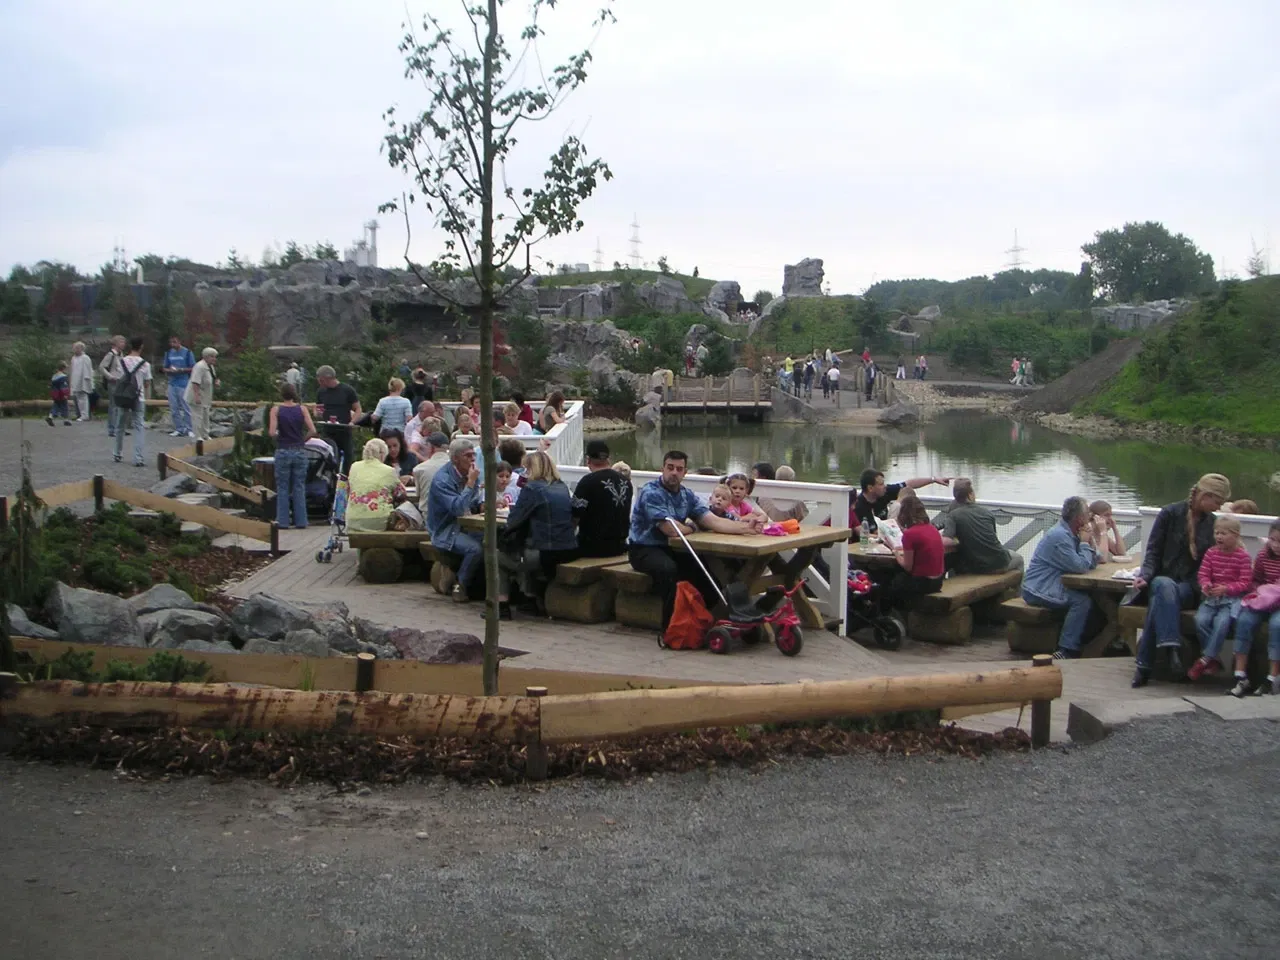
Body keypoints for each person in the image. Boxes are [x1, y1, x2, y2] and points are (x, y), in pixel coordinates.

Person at [628, 450, 763, 631]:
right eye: (670, 468)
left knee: (705, 573)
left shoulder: (687, 495)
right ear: (662, 469)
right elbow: (670, 530)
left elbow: (713, 521)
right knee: (669, 570)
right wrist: (693, 527)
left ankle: (703, 620)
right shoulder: (651, 492)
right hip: (644, 548)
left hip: (673, 549)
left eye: (679, 469)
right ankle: (669, 628)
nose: (674, 472)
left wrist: (747, 528)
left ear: (685, 473)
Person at [1132, 473, 1231, 688]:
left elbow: (1210, 564)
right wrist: (1145, 576)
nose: (1219, 506)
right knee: (1163, 586)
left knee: (1162, 595)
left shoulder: (1213, 524)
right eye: (1217, 501)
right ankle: (1170, 650)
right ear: (1205, 495)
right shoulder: (1170, 514)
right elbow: (1153, 552)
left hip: (1190, 589)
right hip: (1161, 581)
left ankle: (1148, 663)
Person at [496, 451, 580, 617]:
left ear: (532, 469)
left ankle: (501, 605)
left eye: (526, 468)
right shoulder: (562, 486)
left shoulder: (532, 488)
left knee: (498, 556)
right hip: (569, 549)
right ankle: (528, 599)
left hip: (546, 552)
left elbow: (513, 521)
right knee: (522, 551)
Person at [1021, 496, 1101, 660]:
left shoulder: (1072, 533)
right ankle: (1066, 650)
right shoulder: (1060, 536)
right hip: (1038, 587)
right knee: (1081, 601)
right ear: (1079, 519)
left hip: (1054, 583)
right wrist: (1085, 543)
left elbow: (1095, 561)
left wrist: (1090, 541)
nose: (1090, 518)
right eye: (1087, 514)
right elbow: (1080, 567)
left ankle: (1086, 641)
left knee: (1094, 597)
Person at [1185, 515, 1253, 682]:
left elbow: (1245, 583)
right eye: (1217, 533)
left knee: (1221, 623)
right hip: (1211, 600)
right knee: (1200, 620)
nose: (1219, 537)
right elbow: (1203, 574)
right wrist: (1206, 584)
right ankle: (1214, 659)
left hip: (1230, 601)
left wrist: (1227, 589)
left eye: (1223, 533)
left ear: (1235, 536)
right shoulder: (1211, 553)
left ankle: (1205, 659)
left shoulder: (1242, 556)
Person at [426, 438, 483, 602]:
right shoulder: (442, 480)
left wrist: (484, 504)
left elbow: (472, 503)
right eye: (468, 456)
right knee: (475, 549)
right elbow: (457, 509)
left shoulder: (470, 474)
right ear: (455, 459)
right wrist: (471, 483)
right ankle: (461, 586)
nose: (472, 459)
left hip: (465, 526)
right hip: (445, 530)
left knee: (493, 540)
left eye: (473, 455)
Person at [1228, 519, 1280, 696]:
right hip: (1264, 600)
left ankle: (1272, 677)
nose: (1276, 545)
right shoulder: (1264, 555)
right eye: (1273, 540)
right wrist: (1261, 591)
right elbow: (1255, 579)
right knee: (1244, 620)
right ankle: (1240, 674)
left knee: (1277, 625)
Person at [933, 478, 1024, 574]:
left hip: (975, 566)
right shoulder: (986, 512)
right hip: (999, 563)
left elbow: (945, 541)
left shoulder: (953, 514)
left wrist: (960, 542)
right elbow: (993, 539)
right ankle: (1019, 589)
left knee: (956, 561)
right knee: (1019, 559)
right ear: (970, 495)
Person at [268, 382, 316, 530]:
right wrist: (302, 440)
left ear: (281, 394)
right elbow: (312, 430)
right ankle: (301, 521)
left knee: (282, 487)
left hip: (283, 449)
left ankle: (283, 521)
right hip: (299, 450)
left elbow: (271, 432)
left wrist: (278, 437)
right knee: (299, 486)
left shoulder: (276, 410)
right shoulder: (302, 409)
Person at [573, 438, 632, 558]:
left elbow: (574, 517)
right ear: (608, 459)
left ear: (588, 460)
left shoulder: (587, 482)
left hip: (592, 548)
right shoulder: (626, 482)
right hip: (620, 546)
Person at [885, 495, 946, 609]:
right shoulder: (932, 529)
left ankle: (892, 615)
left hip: (923, 583)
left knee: (889, 583)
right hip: (938, 582)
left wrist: (894, 551)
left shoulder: (909, 534)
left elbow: (907, 567)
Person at [852, 469, 950, 534]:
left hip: (888, 535)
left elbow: (908, 484)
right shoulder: (859, 507)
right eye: (881, 484)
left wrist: (933, 480)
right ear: (870, 488)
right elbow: (873, 533)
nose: (885, 486)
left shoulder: (884, 493)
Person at [346, 438, 404, 533]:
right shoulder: (389, 470)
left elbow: (349, 490)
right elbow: (401, 494)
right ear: (382, 454)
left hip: (353, 520)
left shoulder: (354, 466)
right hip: (379, 521)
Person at [112, 336, 152, 467]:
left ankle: (117, 453)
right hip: (138, 397)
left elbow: (118, 378)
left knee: (120, 425)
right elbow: (147, 384)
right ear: (141, 347)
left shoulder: (122, 361)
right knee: (139, 426)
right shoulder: (145, 364)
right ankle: (138, 457)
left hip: (123, 396)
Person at [314, 365, 362, 472]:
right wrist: (317, 413)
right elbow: (317, 408)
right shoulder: (321, 392)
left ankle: (347, 482)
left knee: (348, 460)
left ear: (328, 378)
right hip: (328, 430)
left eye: (321, 380)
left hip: (344, 429)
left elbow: (358, 409)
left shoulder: (347, 390)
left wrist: (352, 422)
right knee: (329, 460)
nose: (320, 383)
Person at [162, 335, 196, 438]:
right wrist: (170, 370)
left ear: (179, 342)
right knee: (174, 407)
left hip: (183, 383)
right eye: (171, 342)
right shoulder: (168, 353)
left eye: (175, 342)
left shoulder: (187, 352)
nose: (173, 344)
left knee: (186, 407)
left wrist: (180, 370)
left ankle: (189, 428)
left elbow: (193, 367)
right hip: (172, 383)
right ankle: (178, 428)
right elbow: (164, 368)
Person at [412, 431, 453, 512]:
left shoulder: (419, 469)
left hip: (428, 515)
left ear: (431, 447)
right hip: (451, 514)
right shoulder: (456, 467)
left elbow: (418, 495)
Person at [184, 348, 218, 442]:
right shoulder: (199, 366)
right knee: (197, 416)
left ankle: (205, 435)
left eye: (215, 357)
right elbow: (195, 382)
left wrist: (216, 382)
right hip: (196, 395)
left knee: (206, 415)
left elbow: (212, 378)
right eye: (212, 356)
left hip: (206, 396)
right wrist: (196, 396)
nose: (214, 359)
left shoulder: (210, 366)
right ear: (206, 357)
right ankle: (197, 436)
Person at [98, 335, 126, 437]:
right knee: (113, 406)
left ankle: (120, 427)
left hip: (121, 382)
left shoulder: (121, 355)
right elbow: (101, 367)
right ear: (115, 344)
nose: (123, 344)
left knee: (121, 406)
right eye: (121, 342)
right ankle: (112, 428)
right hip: (113, 382)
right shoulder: (111, 355)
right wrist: (110, 377)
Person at [69, 341, 94, 422]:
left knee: (83, 398)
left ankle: (85, 415)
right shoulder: (73, 358)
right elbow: (72, 370)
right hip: (75, 380)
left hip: (82, 380)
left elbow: (88, 371)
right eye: (74, 348)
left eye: (76, 348)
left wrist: (86, 382)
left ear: (81, 348)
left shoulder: (85, 358)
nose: (74, 349)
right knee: (77, 398)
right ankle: (79, 414)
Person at [47, 361, 71, 426]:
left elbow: (51, 385)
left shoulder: (54, 376)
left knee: (55, 405)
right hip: (61, 394)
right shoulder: (63, 377)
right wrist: (65, 394)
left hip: (55, 394)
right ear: (63, 368)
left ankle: (50, 416)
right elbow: (64, 386)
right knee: (64, 406)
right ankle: (66, 420)